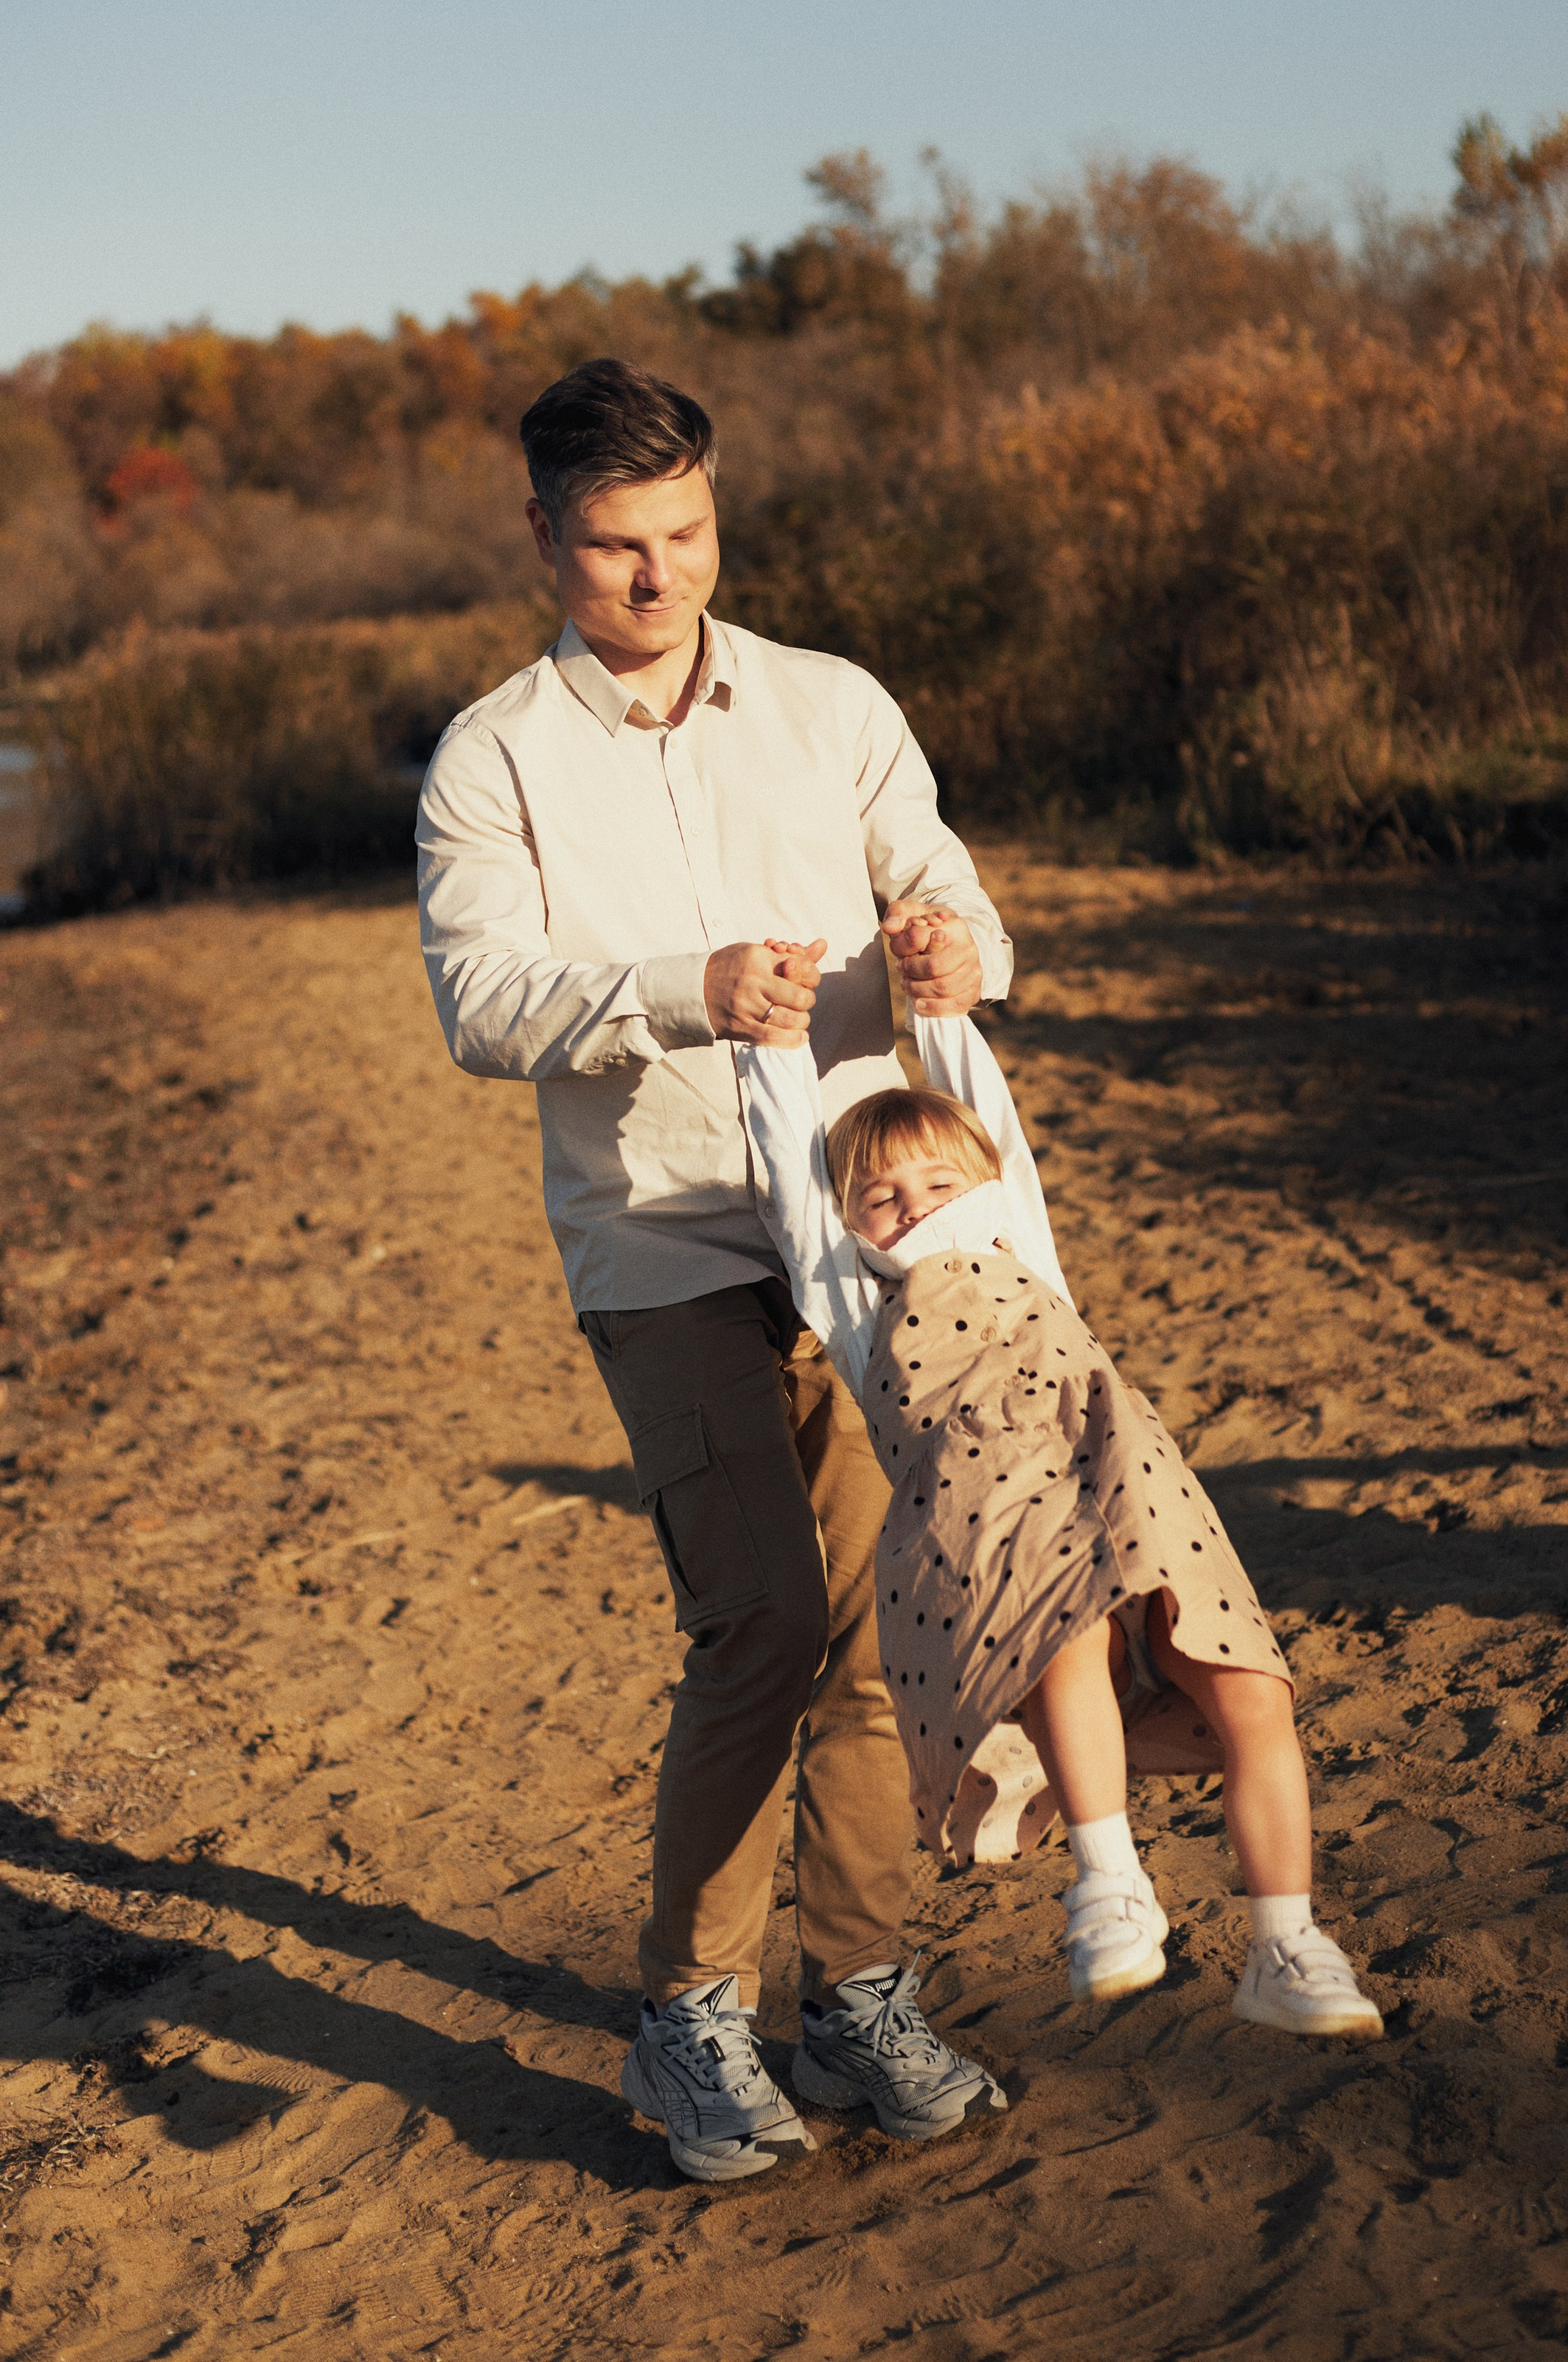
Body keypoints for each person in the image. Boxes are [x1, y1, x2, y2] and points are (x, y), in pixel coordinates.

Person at [416, 358, 1010, 2183]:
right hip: (655, 1240)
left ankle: (856, 1997)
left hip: (861, 1229)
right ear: (544, 534)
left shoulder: (831, 704)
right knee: (756, 1616)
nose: (658, 575)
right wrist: (684, 991)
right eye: (616, 545)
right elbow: (481, 1004)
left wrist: (951, 949)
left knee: (872, 1631)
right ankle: (688, 2020)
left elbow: (955, 896)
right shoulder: (492, 755)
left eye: (684, 533)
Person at [736, 979, 1383, 2034]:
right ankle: (1109, 1884)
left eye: (937, 1183)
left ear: (983, 1188)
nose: (913, 1207)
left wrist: (941, 1016)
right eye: (880, 1200)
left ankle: (1287, 1943)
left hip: (1130, 1480)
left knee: (1251, 1690)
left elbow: (996, 1131)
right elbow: (793, 1191)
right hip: (991, 1524)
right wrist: (767, 1050)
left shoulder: (1020, 1250)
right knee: (1066, 1639)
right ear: (850, 1226)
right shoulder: (857, 1307)